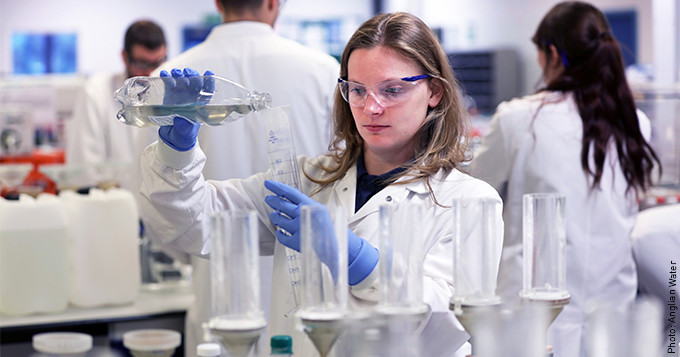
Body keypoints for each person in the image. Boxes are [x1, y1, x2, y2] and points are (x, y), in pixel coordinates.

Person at [138, 12, 502, 356]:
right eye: (357, 90)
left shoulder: (469, 202)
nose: (371, 107)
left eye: (392, 90)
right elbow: (192, 224)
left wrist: (356, 257)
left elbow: (447, 328)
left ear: (434, 92)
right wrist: (177, 150)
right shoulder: (306, 181)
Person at [134, 1, 340, 356]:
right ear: (274, 3)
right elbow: (341, 172)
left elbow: (154, 206)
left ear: (217, 3)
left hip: (215, 288)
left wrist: (191, 250)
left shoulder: (170, 76)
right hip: (308, 287)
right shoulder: (322, 70)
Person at [468, 2, 661, 356]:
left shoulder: (519, 119)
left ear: (552, 54)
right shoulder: (635, 123)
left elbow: (473, 190)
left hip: (532, 315)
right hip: (611, 311)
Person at [66, 20, 166, 189]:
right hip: (111, 204)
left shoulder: (168, 95)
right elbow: (85, 167)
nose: (150, 73)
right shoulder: (96, 92)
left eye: (157, 63)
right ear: (125, 57)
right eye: (142, 64)